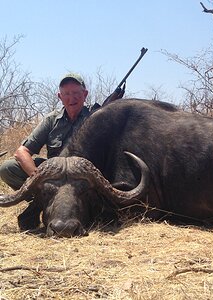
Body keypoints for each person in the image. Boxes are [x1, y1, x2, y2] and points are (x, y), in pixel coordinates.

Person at [0, 73, 124, 230]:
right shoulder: (52, 119)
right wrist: (38, 180)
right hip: (54, 178)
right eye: (66, 94)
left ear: (85, 94)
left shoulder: (96, 118)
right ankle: (44, 200)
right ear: (60, 96)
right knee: (8, 168)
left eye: (76, 93)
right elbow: (21, 152)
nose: (71, 98)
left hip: (83, 180)